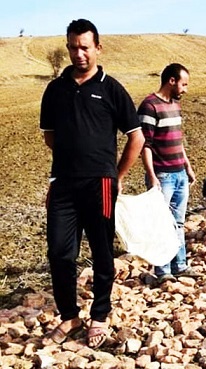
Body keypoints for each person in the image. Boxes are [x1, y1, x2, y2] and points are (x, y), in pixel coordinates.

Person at [39, 19, 144, 349]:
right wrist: (72, 161)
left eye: (85, 46)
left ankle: (99, 315)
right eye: (73, 47)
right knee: (59, 252)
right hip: (63, 184)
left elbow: (136, 138)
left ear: (98, 48)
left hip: (100, 183)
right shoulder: (55, 90)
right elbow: (50, 136)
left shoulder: (111, 88)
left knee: (101, 252)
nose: (79, 53)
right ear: (67, 47)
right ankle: (69, 316)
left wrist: (116, 176)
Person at [138, 63, 201, 284]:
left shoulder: (175, 104)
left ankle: (180, 265)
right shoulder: (149, 106)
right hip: (162, 175)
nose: (185, 89)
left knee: (178, 222)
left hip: (179, 173)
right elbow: (144, 144)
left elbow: (178, 139)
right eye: (183, 84)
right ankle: (162, 269)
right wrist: (152, 175)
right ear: (171, 81)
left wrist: (188, 166)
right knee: (161, 222)